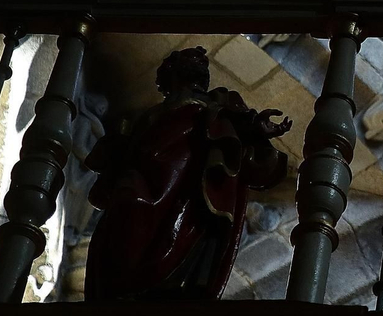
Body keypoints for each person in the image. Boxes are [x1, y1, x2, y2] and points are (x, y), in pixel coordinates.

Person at [84, 47, 291, 300]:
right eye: (187, 63)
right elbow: (129, 148)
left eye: (199, 66)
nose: (198, 68)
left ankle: (151, 284)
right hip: (145, 174)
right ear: (169, 76)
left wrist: (258, 129)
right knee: (125, 214)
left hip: (183, 182)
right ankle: (118, 287)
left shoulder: (217, 102)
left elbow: (242, 127)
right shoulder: (152, 113)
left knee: (166, 228)